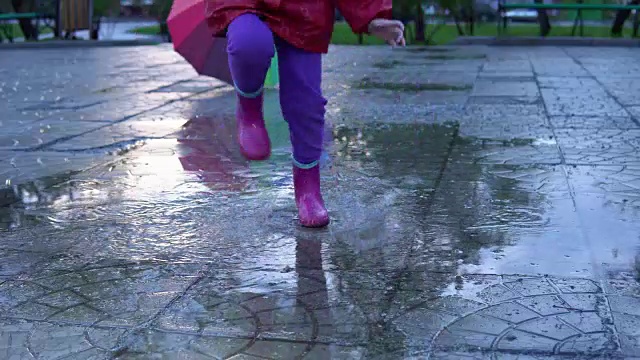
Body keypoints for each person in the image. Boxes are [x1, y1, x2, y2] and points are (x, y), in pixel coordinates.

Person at [206, 0, 405, 228]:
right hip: (246, 3)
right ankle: (249, 112)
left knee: (306, 103)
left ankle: (308, 188)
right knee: (248, 44)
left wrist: (370, 16)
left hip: (305, 9)